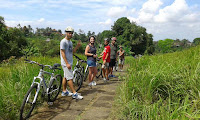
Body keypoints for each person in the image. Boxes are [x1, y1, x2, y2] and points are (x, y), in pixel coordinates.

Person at [60, 26, 83, 99]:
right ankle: (74, 93)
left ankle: (64, 91)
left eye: (72, 33)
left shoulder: (70, 42)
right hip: (66, 63)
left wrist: (77, 46)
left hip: (69, 62)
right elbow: (62, 53)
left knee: (65, 77)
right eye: (69, 33)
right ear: (66, 33)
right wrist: (67, 63)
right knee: (70, 78)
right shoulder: (63, 42)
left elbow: (72, 52)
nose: (71, 34)